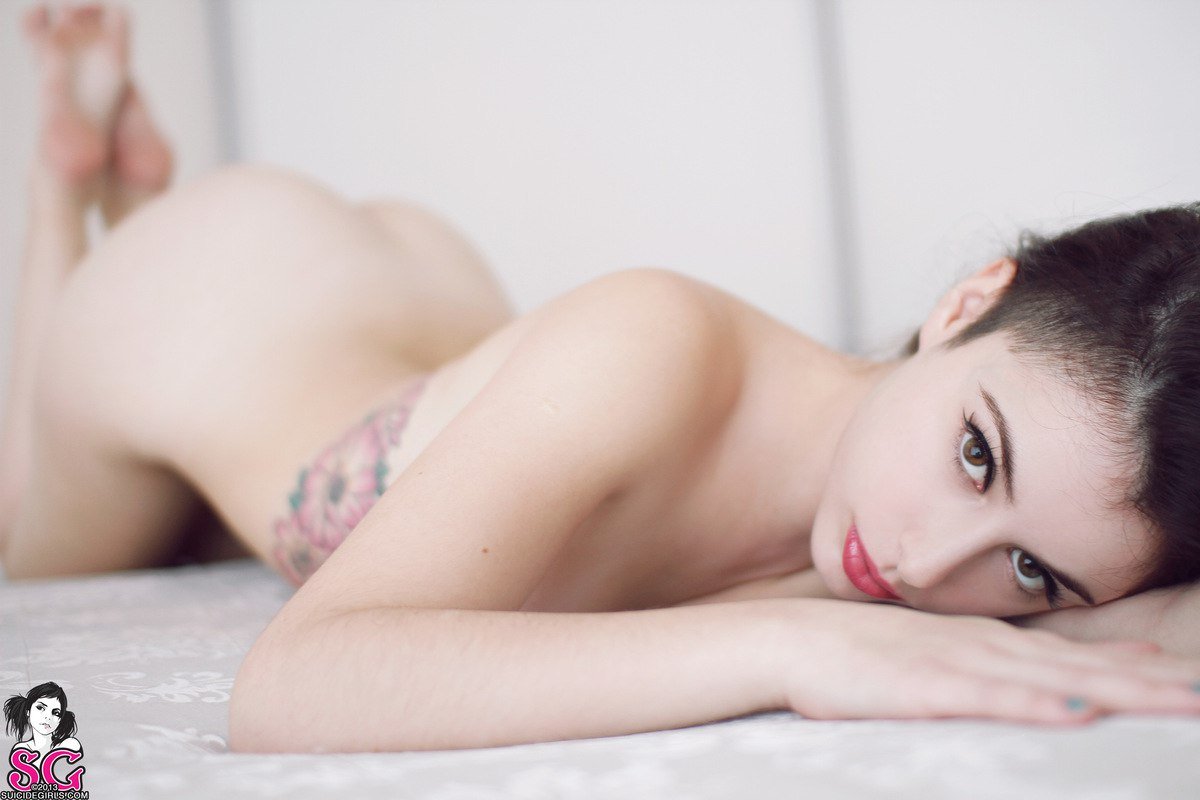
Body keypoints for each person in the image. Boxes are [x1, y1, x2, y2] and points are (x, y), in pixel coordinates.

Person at [2, 4, 1200, 754]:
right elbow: (287, 689)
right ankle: (73, 198)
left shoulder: (1004, 541)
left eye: (1033, 573)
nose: (930, 564)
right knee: (36, 547)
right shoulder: (657, 341)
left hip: (422, 309)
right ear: (965, 303)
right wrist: (796, 645)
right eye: (976, 454)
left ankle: (109, 181)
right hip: (205, 304)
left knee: (209, 524)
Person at [4, 683, 81, 765]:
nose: (48, 717)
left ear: (60, 720)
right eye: (40, 708)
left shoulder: (69, 745)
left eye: (56, 713)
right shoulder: (22, 750)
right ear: (28, 711)